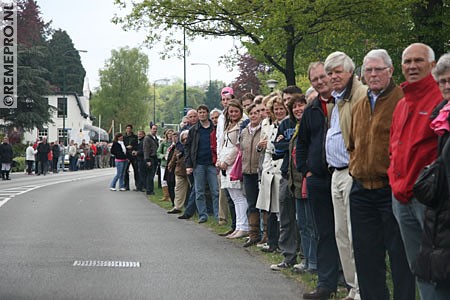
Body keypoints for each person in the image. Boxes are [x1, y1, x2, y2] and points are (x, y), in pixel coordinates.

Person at [348, 49, 415, 300]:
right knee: (366, 257)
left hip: (392, 190)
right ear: (363, 74)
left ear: (391, 71)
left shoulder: (402, 100)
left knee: (400, 257)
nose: (373, 74)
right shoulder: (359, 104)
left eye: (378, 69)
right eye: (369, 70)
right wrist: (356, 165)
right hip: (362, 189)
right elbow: (352, 143)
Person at [389, 43, 445, 299]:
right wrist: (394, 179)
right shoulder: (402, 103)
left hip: (428, 200)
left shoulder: (440, 99)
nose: (412, 66)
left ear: (432, 65)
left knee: (437, 267)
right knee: (418, 266)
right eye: (407, 61)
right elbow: (394, 146)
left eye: (418, 61)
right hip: (401, 198)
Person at [324, 51, 366, 300]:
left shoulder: (358, 95)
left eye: (338, 71)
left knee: (353, 233)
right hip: (336, 173)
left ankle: (361, 286)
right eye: (330, 73)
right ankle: (353, 287)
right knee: (341, 234)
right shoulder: (337, 99)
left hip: (351, 171)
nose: (333, 77)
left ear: (350, 72)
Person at [297, 62, 339, 299]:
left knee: (345, 231)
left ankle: (349, 279)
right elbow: (302, 143)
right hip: (317, 179)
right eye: (315, 79)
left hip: (342, 175)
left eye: (323, 76)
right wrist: (306, 170)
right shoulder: (312, 109)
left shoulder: (344, 102)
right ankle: (326, 283)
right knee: (323, 232)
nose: (320, 81)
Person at [414, 52, 450, 296]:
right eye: (443, 81)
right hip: (441, 214)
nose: (447, 86)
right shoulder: (442, 115)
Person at [271, 93, 307, 271]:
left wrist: (287, 143)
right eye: (290, 103)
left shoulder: (307, 121)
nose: (294, 107)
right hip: (286, 173)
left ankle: (305, 257)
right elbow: (276, 149)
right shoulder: (285, 123)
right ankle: (288, 256)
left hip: (302, 175)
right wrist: (288, 144)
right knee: (286, 217)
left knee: (303, 219)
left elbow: (302, 145)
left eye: (297, 103)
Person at [256, 92, 287, 252]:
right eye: (276, 109)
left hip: (280, 168)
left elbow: (279, 146)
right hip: (268, 168)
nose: (279, 111)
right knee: (270, 209)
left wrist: (269, 145)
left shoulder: (286, 125)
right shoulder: (271, 125)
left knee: (280, 210)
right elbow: (265, 146)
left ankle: (281, 244)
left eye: (282, 108)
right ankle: (272, 242)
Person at [217, 99, 248, 238]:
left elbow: (237, 147)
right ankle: (238, 226)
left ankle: (244, 226)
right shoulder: (229, 125)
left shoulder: (241, 125)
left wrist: (226, 161)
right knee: (234, 197)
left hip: (233, 164)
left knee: (239, 196)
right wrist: (219, 160)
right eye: (231, 112)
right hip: (224, 163)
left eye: (236, 111)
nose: (233, 114)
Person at [185, 105, 219, 223]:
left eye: (204, 112)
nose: (202, 114)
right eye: (200, 112)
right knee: (199, 191)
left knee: (215, 191)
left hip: (212, 163)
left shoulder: (214, 128)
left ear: (207, 113)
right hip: (198, 163)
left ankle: (217, 215)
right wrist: (188, 165)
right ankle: (202, 215)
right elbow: (188, 148)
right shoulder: (193, 130)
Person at [240, 103, 262, 247]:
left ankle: (265, 234)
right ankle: (253, 234)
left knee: (263, 204)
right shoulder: (245, 132)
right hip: (247, 171)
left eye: (256, 113)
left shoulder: (264, 130)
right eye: (251, 113)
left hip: (259, 171)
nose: (254, 116)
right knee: (251, 203)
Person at [216, 87, 235, 230]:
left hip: (232, 158)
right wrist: (218, 157)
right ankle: (224, 218)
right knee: (225, 191)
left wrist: (226, 160)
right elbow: (219, 138)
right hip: (222, 155)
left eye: (228, 99)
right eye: (223, 99)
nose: (226, 102)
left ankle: (238, 223)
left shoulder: (239, 116)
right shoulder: (221, 117)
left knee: (235, 193)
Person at [167, 130, 190, 214]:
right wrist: (171, 164)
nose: (185, 141)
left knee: (192, 190)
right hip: (180, 169)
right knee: (178, 188)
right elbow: (174, 156)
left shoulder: (191, 146)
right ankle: (177, 206)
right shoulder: (178, 146)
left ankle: (190, 208)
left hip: (189, 169)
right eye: (183, 139)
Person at [157, 129, 174, 201]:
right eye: (168, 133)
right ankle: (166, 196)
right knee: (163, 180)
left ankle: (171, 196)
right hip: (164, 164)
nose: (170, 135)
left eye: (171, 133)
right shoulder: (163, 143)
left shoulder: (174, 143)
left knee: (170, 180)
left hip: (172, 164)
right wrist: (163, 156)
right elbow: (158, 153)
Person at [143, 124, 159, 196]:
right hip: (150, 158)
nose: (155, 130)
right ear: (150, 129)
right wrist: (147, 160)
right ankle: (149, 190)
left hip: (155, 158)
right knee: (150, 175)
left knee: (152, 175)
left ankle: (151, 189)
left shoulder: (155, 138)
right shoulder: (147, 138)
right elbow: (146, 149)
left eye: (156, 129)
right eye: (153, 129)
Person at [123, 125, 138, 190]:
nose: (128, 130)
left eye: (129, 129)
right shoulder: (123, 137)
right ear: (126, 130)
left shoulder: (135, 137)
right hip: (126, 155)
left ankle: (137, 185)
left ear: (131, 129)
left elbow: (137, 145)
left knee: (136, 170)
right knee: (125, 171)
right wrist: (126, 147)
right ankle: (126, 186)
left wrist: (133, 147)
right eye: (127, 129)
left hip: (134, 155)